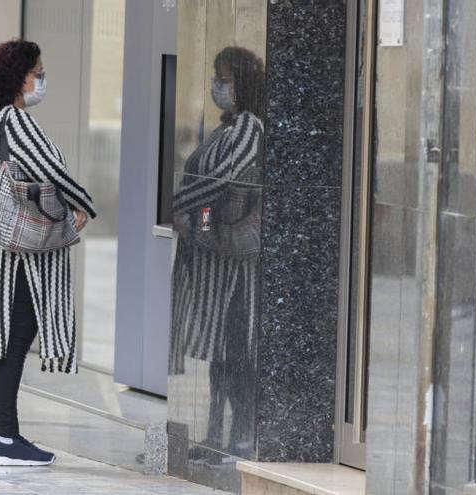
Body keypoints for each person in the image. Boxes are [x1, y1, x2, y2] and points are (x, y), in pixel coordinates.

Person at [0, 39, 97, 466]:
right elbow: (51, 169)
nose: (41, 79)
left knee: (10, 337)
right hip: (22, 252)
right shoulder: (15, 121)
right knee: (15, 338)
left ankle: (4, 436)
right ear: (18, 76)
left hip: (1, 245)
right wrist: (83, 203)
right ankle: (2, 438)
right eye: (37, 72)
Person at [169, 46, 266, 460]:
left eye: (224, 79)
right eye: (216, 78)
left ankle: (241, 438)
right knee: (220, 357)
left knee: (237, 355)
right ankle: (215, 436)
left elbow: (221, 179)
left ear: (243, 83)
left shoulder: (249, 128)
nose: (217, 86)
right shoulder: (227, 129)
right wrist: (195, 220)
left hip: (236, 266)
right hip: (214, 256)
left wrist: (182, 205)